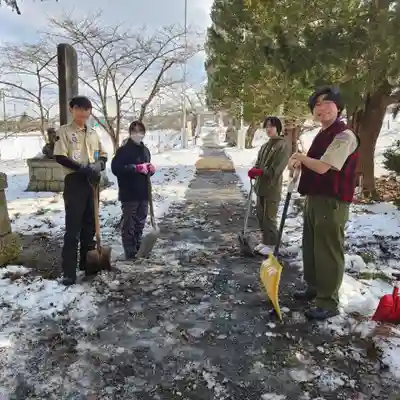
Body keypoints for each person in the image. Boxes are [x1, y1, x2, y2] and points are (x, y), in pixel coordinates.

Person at [288, 86, 360, 320]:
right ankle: (314, 288)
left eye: (327, 102)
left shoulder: (344, 135)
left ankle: (328, 302)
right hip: (315, 198)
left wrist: (301, 158)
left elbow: (322, 166)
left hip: (332, 201)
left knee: (328, 250)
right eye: (316, 104)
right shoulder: (322, 134)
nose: (322, 108)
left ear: (338, 107)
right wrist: (297, 163)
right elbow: (311, 163)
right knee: (311, 246)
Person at [54, 96, 108, 286]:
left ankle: (87, 264)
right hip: (75, 182)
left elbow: (102, 155)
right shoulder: (64, 131)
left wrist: (99, 165)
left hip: (91, 183)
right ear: (71, 109)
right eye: (79, 108)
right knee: (73, 229)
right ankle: (69, 272)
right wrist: (81, 168)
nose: (83, 112)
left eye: (87, 109)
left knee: (89, 226)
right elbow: (60, 156)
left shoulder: (93, 133)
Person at [111, 120, 155, 260]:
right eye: (134, 131)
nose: (138, 134)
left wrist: (150, 170)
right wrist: (134, 168)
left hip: (143, 191)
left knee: (140, 221)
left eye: (140, 131)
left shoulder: (145, 150)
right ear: (130, 133)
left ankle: (138, 246)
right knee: (129, 223)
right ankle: (129, 251)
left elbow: (146, 169)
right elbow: (116, 168)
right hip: (129, 192)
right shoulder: (123, 150)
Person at [248, 116, 290, 256]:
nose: (268, 129)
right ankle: (266, 241)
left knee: (269, 217)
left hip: (272, 187)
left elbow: (277, 169)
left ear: (278, 128)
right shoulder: (265, 145)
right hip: (260, 186)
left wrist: (262, 171)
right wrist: (254, 171)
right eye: (266, 126)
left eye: (271, 126)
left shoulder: (283, 145)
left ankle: (273, 244)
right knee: (260, 215)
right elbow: (258, 163)